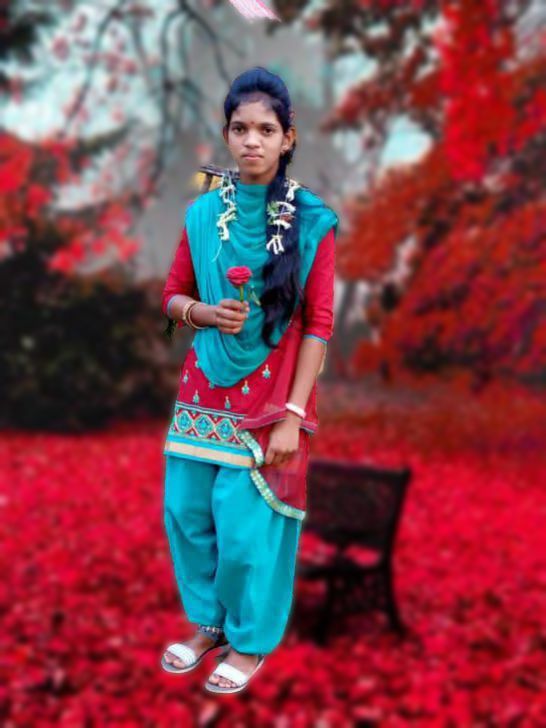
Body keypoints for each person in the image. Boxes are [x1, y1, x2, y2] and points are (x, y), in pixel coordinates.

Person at [160, 66, 338, 694]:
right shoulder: (203, 211)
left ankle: (249, 641)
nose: (252, 140)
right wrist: (204, 314)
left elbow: (318, 324)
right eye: (241, 129)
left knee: (243, 532)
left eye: (266, 129)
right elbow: (172, 296)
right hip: (201, 392)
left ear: (288, 138)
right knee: (187, 514)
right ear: (227, 135)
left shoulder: (313, 220)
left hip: (269, 399)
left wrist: (294, 415)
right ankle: (209, 624)